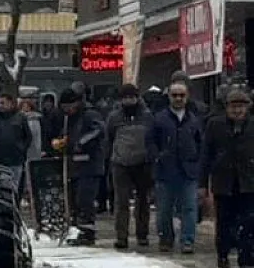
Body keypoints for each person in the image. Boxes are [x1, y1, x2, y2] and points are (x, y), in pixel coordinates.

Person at [146, 79, 206, 254]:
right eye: (175, 95)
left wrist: (197, 162)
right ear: (169, 97)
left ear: (187, 97)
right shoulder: (159, 119)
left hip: (189, 171)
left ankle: (187, 240)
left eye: (181, 95)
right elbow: (150, 142)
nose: (178, 98)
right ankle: (166, 239)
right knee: (164, 209)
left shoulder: (194, 120)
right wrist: (157, 157)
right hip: (165, 171)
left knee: (189, 208)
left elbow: (201, 144)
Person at [200, 86, 254, 268]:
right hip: (224, 182)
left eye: (241, 106)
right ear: (227, 107)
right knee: (224, 222)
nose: (237, 110)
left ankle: (246, 260)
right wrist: (202, 184)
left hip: (248, 182)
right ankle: (222, 254)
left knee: (249, 222)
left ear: (247, 107)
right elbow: (205, 155)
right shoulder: (215, 125)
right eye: (233, 106)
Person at [53, 86, 104, 245]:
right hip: (74, 165)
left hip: (89, 165)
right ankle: (77, 230)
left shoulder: (89, 114)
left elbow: (98, 131)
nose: (66, 110)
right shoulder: (70, 119)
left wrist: (80, 143)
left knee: (85, 200)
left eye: (68, 107)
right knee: (74, 200)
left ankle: (87, 232)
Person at [105, 84, 153, 249]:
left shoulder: (147, 116)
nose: (129, 101)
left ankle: (142, 234)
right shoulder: (114, 117)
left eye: (132, 97)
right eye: (126, 97)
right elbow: (109, 138)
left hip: (143, 163)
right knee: (121, 202)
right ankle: (121, 236)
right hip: (121, 164)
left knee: (143, 201)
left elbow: (152, 138)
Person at [0, 91, 31, 193]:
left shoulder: (20, 117)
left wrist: (22, 149)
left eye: (2, 103)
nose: (0, 106)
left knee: (14, 187)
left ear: (11, 103)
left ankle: (14, 206)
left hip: (16, 159)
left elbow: (28, 136)